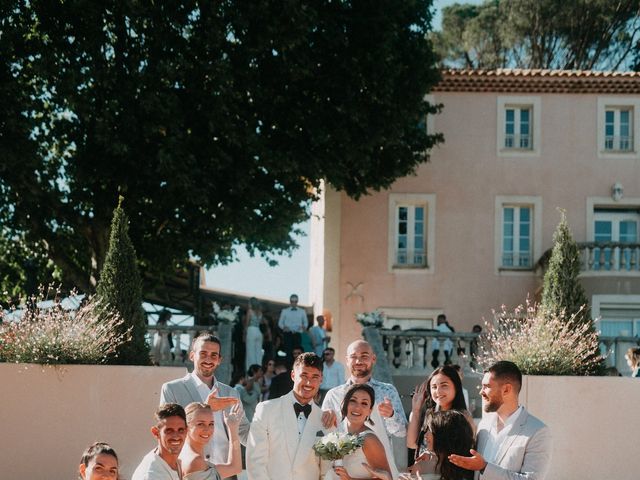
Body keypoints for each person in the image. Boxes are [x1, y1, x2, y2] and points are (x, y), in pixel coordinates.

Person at [449, 361, 552, 479]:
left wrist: (484, 467)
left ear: (506, 389)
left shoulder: (538, 432)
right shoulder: (484, 425)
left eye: (486, 386)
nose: (481, 392)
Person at [160, 333, 250, 465]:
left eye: (214, 355)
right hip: (190, 471)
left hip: (226, 473)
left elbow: (243, 431)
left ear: (219, 360)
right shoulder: (171, 389)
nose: (208, 359)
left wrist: (271, 434)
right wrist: (205, 408)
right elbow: (168, 430)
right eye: (203, 353)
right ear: (192, 356)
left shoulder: (231, 393)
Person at [322, 340, 407, 478]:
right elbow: (325, 435)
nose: (358, 361)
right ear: (347, 360)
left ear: (373, 359)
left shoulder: (387, 391)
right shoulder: (333, 395)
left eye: (364, 356)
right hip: (341, 470)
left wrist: (391, 415)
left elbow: (401, 432)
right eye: (354, 356)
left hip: (379, 468)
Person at [247, 352, 335, 480]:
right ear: (293, 375)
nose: (309, 382)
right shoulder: (266, 409)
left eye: (315, 377)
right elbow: (255, 461)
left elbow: (327, 470)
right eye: (304, 375)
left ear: (321, 379)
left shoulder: (325, 419)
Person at [362, 410, 475, 480]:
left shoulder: (462, 468)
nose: (425, 435)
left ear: (444, 435)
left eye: (430, 430)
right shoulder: (424, 461)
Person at [408, 366, 474, 465]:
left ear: (456, 387)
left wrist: (431, 455)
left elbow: (463, 452)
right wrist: (416, 410)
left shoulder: (462, 417)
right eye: (434, 387)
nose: (438, 391)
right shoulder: (430, 414)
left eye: (444, 385)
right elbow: (412, 444)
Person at [325, 384, 391, 480]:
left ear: (370, 411)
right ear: (344, 403)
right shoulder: (339, 434)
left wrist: (350, 479)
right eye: (353, 401)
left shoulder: (368, 439)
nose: (357, 407)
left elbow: (387, 478)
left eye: (364, 403)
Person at [180, 402, 243, 480]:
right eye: (200, 424)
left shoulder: (184, 453)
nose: (207, 429)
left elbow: (234, 468)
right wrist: (233, 430)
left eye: (211, 424)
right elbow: (234, 468)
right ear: (186, 426)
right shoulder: (196, 461)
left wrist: (232, 427)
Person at [132, 403, 187, 480]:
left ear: (187, 431)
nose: (176, 436)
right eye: (169, 431)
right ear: (156, 433)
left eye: (181, 430)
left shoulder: (179, 461)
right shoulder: (152, 474)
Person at [278, 294, 308, 364]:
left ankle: (298, 365)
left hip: (297, 334)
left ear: (297, 301)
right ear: (290, 301)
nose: (294, 303)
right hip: (288, 334)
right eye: (292, 301)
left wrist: (302, 328)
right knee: (288, 351)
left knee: (298, 351)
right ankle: (289, 367)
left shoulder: (302, 311)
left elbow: (306, 323)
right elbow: (280, 323)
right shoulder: (284, 311)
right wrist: (284, 328)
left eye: (295, 301)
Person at [244, 298, 266, 371]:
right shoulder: (260, 312)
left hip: (251, 330)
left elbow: (247, 323)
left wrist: (244, 333)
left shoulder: (250, 311)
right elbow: (262, 322)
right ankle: (259, 369)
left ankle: (251, 370)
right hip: (258, 331)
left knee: (250, 352)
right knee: (258, 352)